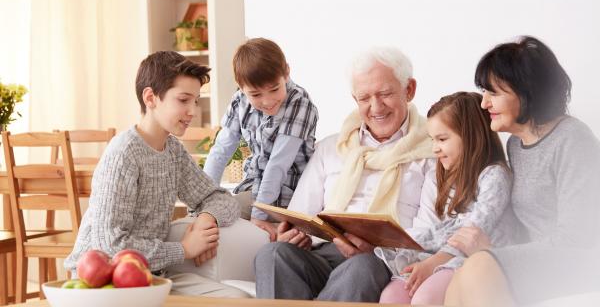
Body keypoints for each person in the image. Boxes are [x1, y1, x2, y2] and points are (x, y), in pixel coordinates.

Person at [254, 46, 438, 302]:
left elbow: (430, 233)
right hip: (322, 254)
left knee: (363, 266)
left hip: (381, 260)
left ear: (409, 90)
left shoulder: (433, 150)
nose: (376, 107)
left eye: (385, 93)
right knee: (273, 254)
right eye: (364, 98)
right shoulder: (332, 147)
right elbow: (301, 215)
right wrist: (292, 235)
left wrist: (378, 249)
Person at [64, 51, 249, 298]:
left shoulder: (173, 151)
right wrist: (183, 249)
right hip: (103, 281)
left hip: (152, 275)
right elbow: (109, 246)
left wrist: (207, 218)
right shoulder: (124, 153)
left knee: (239, 300)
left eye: (195, 101)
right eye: (183, 100)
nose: (192, 111)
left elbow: (221, 198)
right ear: (150, 98)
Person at [444, 36, 600, 307]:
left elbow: (579, 236)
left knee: (481, 266)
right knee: (459, 278)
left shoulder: (573, 138)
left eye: (493, 93)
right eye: (484, 92)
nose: (484, 104)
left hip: (580, 260)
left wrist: (494, 254)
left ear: (527, 92)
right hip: (540, 262)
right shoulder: (516, 144)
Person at [376, 92, 514, 305]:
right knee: (391, 296)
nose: (435, 148)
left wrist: (432, 263)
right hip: (443, 254)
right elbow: (438, 228)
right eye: (433, 140)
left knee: (425, 298)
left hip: (472, 255)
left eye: (442, 139)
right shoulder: (449, 177)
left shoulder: (495, 175)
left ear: (471, 137)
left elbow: (475, 230)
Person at [203, 38, 318, 240]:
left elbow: (277, 165)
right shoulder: (240, 100)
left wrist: (259, 216)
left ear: (286, 73)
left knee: (221, 223)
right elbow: (220, 150)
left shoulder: (300, 103)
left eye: (274, 89)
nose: (267, 101)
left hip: (289, 196)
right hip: (253, 189)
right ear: (241, 87)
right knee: (207, 218)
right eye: (255, 94)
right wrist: (203, 200)